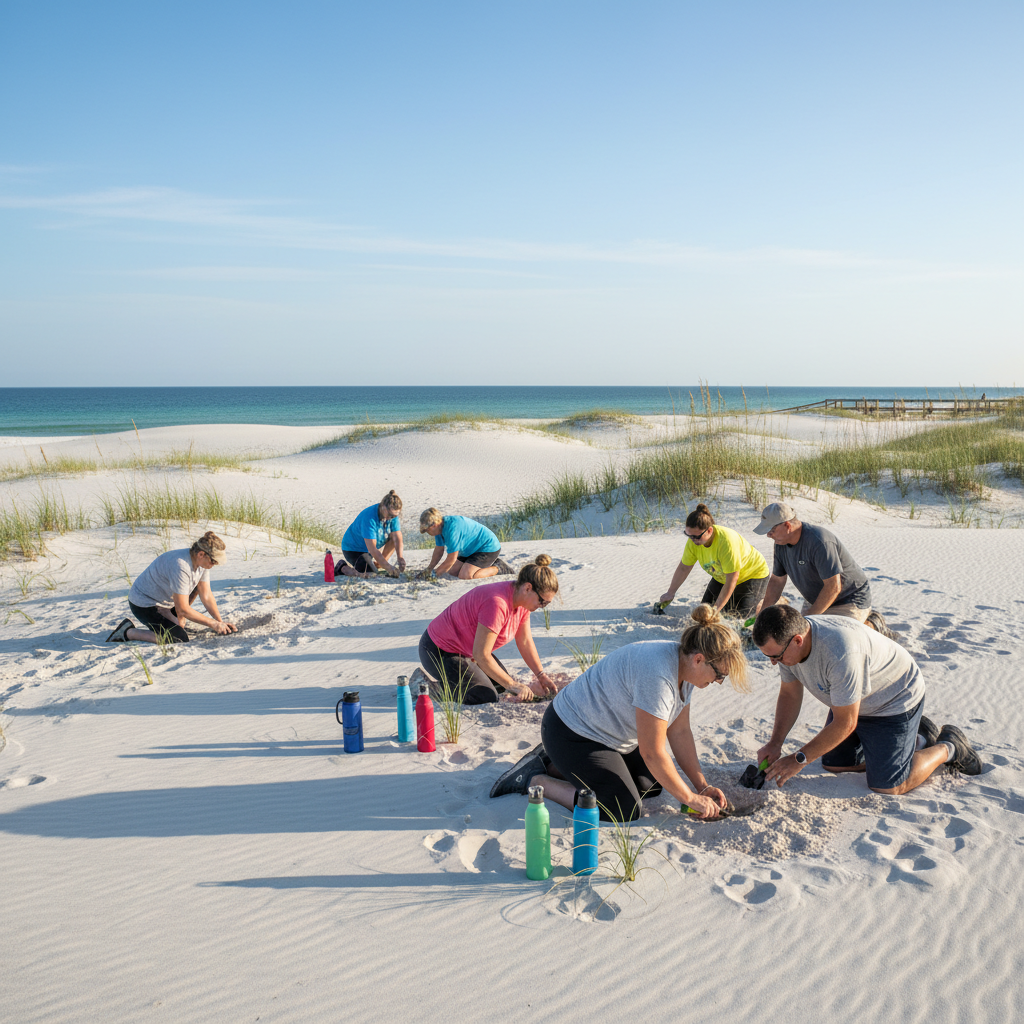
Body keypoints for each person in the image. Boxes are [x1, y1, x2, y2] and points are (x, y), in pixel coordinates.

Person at [488, 605, 749, 821]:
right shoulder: (657, 675)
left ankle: (553, 763)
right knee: (621, 808)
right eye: (720, 675)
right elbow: (652, 751)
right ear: (699, 659)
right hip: (570, 732)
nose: (718, 681)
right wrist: (690, 799)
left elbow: (679, 731)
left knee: (651, 785)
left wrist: (701, 786)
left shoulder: (687, 669)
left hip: (605, 736)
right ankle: (533, 780)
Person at [752, 605, 982, 794]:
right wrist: (775, 743)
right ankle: (918, 738)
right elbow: (790, 694)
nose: (774, 662)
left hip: (894, 700)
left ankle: (950, 747)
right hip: (854, 702)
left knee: (888, 784)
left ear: (798, 640)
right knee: (835, 765)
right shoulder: (789, 647)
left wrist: (799, 759)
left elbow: (845, 723)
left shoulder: (840, 651)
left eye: (776, 656)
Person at [418, 555, 559, 704]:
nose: (542, 607)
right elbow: (481, 655)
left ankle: (458, 680)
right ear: (527, 588)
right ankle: (424, 688)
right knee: (486, 696)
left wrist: (541, 675)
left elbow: (524, 641)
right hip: (438, 651)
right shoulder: (497, 603)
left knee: (500, 687)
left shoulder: (522, 601)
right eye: (542, 602)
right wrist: (513, 684)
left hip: (468, 652)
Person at [753, 501, 897, 638]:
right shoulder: (780, 544)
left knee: (841, 638)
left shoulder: (819, 541)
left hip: (849, 598)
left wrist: (808, 619)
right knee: (803, 638)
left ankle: (873, 623)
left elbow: (834, 587)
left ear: (787, 526)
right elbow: (777, 581)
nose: (768, 535)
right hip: (817, 598)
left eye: (771, 530)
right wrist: (762, 614)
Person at [105, 531, 237, 644]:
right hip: (144, 604)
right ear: (201, 554)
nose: (214, 564)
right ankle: (128, 631)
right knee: (178, 638)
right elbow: (183, 609)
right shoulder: (180, 566)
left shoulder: (202, 564)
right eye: (213, 561)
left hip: (166, 601)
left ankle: (176, 621)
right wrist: (212, 624)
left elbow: (206, 595)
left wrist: (220, 622)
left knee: (198, 588)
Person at [659, 503, 769, 618]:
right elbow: (684, 568)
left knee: (741, 621)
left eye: (696, 537)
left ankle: (763, 603)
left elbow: (732, 579)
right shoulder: (693, 542)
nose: (692, 540)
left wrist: (715, 610)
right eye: (688, 535)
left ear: (709, 531)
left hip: (752, 575)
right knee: (703, 615)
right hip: (721, 576)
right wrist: (670, 592)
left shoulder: (726, 542)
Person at [418, 508, 512, 580]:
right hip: (468, 549)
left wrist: (433, 575)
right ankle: (486, 564)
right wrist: (429, 569)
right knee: (453, 572)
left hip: (487, 547)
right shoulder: (438, 528)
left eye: (427, 529)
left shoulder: (451, 529)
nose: (426, 532)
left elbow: (451, 559)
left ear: (434, 525)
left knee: (467, 576)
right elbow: (439, 550)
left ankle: (498, 567)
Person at [341, 490, 406, 576]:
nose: (391, 518)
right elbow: (373, 549)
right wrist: (389, 568)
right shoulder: (369, 518)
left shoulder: (392, 516)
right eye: (390, 515)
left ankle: (380, 563)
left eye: (395, 516)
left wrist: (400, 558)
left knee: (393, 537)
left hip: (369, 551)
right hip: (353, 549)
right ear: (383, 507)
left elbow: (397, 538)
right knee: (370, 574)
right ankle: (342, 568)